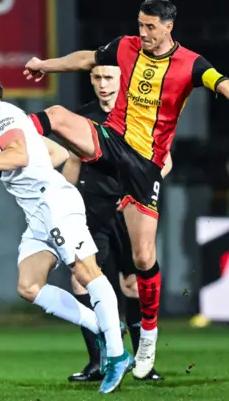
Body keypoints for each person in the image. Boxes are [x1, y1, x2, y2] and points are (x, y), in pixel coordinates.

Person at [22, 0, 229, 378]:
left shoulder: (191, 64)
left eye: (151, 27)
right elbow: (86, 58)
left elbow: (225, 85)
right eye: (140, 25)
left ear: (169, 26)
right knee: (57, 116)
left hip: (145, 165)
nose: (143, 33)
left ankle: (148, 342)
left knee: (143, 259)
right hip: (112, 140)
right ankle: (8, 131)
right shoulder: (125, 47)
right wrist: (46, 65)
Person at [0, 76, 133, 394]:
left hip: (52, 203)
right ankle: (103, 325)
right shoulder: (6, 122)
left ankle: (117, 355)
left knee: (87, 272)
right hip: (39, 214)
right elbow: (57, 153)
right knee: (29, 285)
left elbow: (20, 156)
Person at [62, 65, 166, 382]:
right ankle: (98, 361)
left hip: (130, 210)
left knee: (132, 284)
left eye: (109, 78)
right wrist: (65, 205)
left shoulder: (141, 115)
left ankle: (143, 364)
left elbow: (165, 159)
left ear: (123, 81)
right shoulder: (82, 118)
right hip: (92, 209)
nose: (103, 84)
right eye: (97, 78)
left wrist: (142, 190)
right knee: (82, 280)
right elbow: (73, 161)